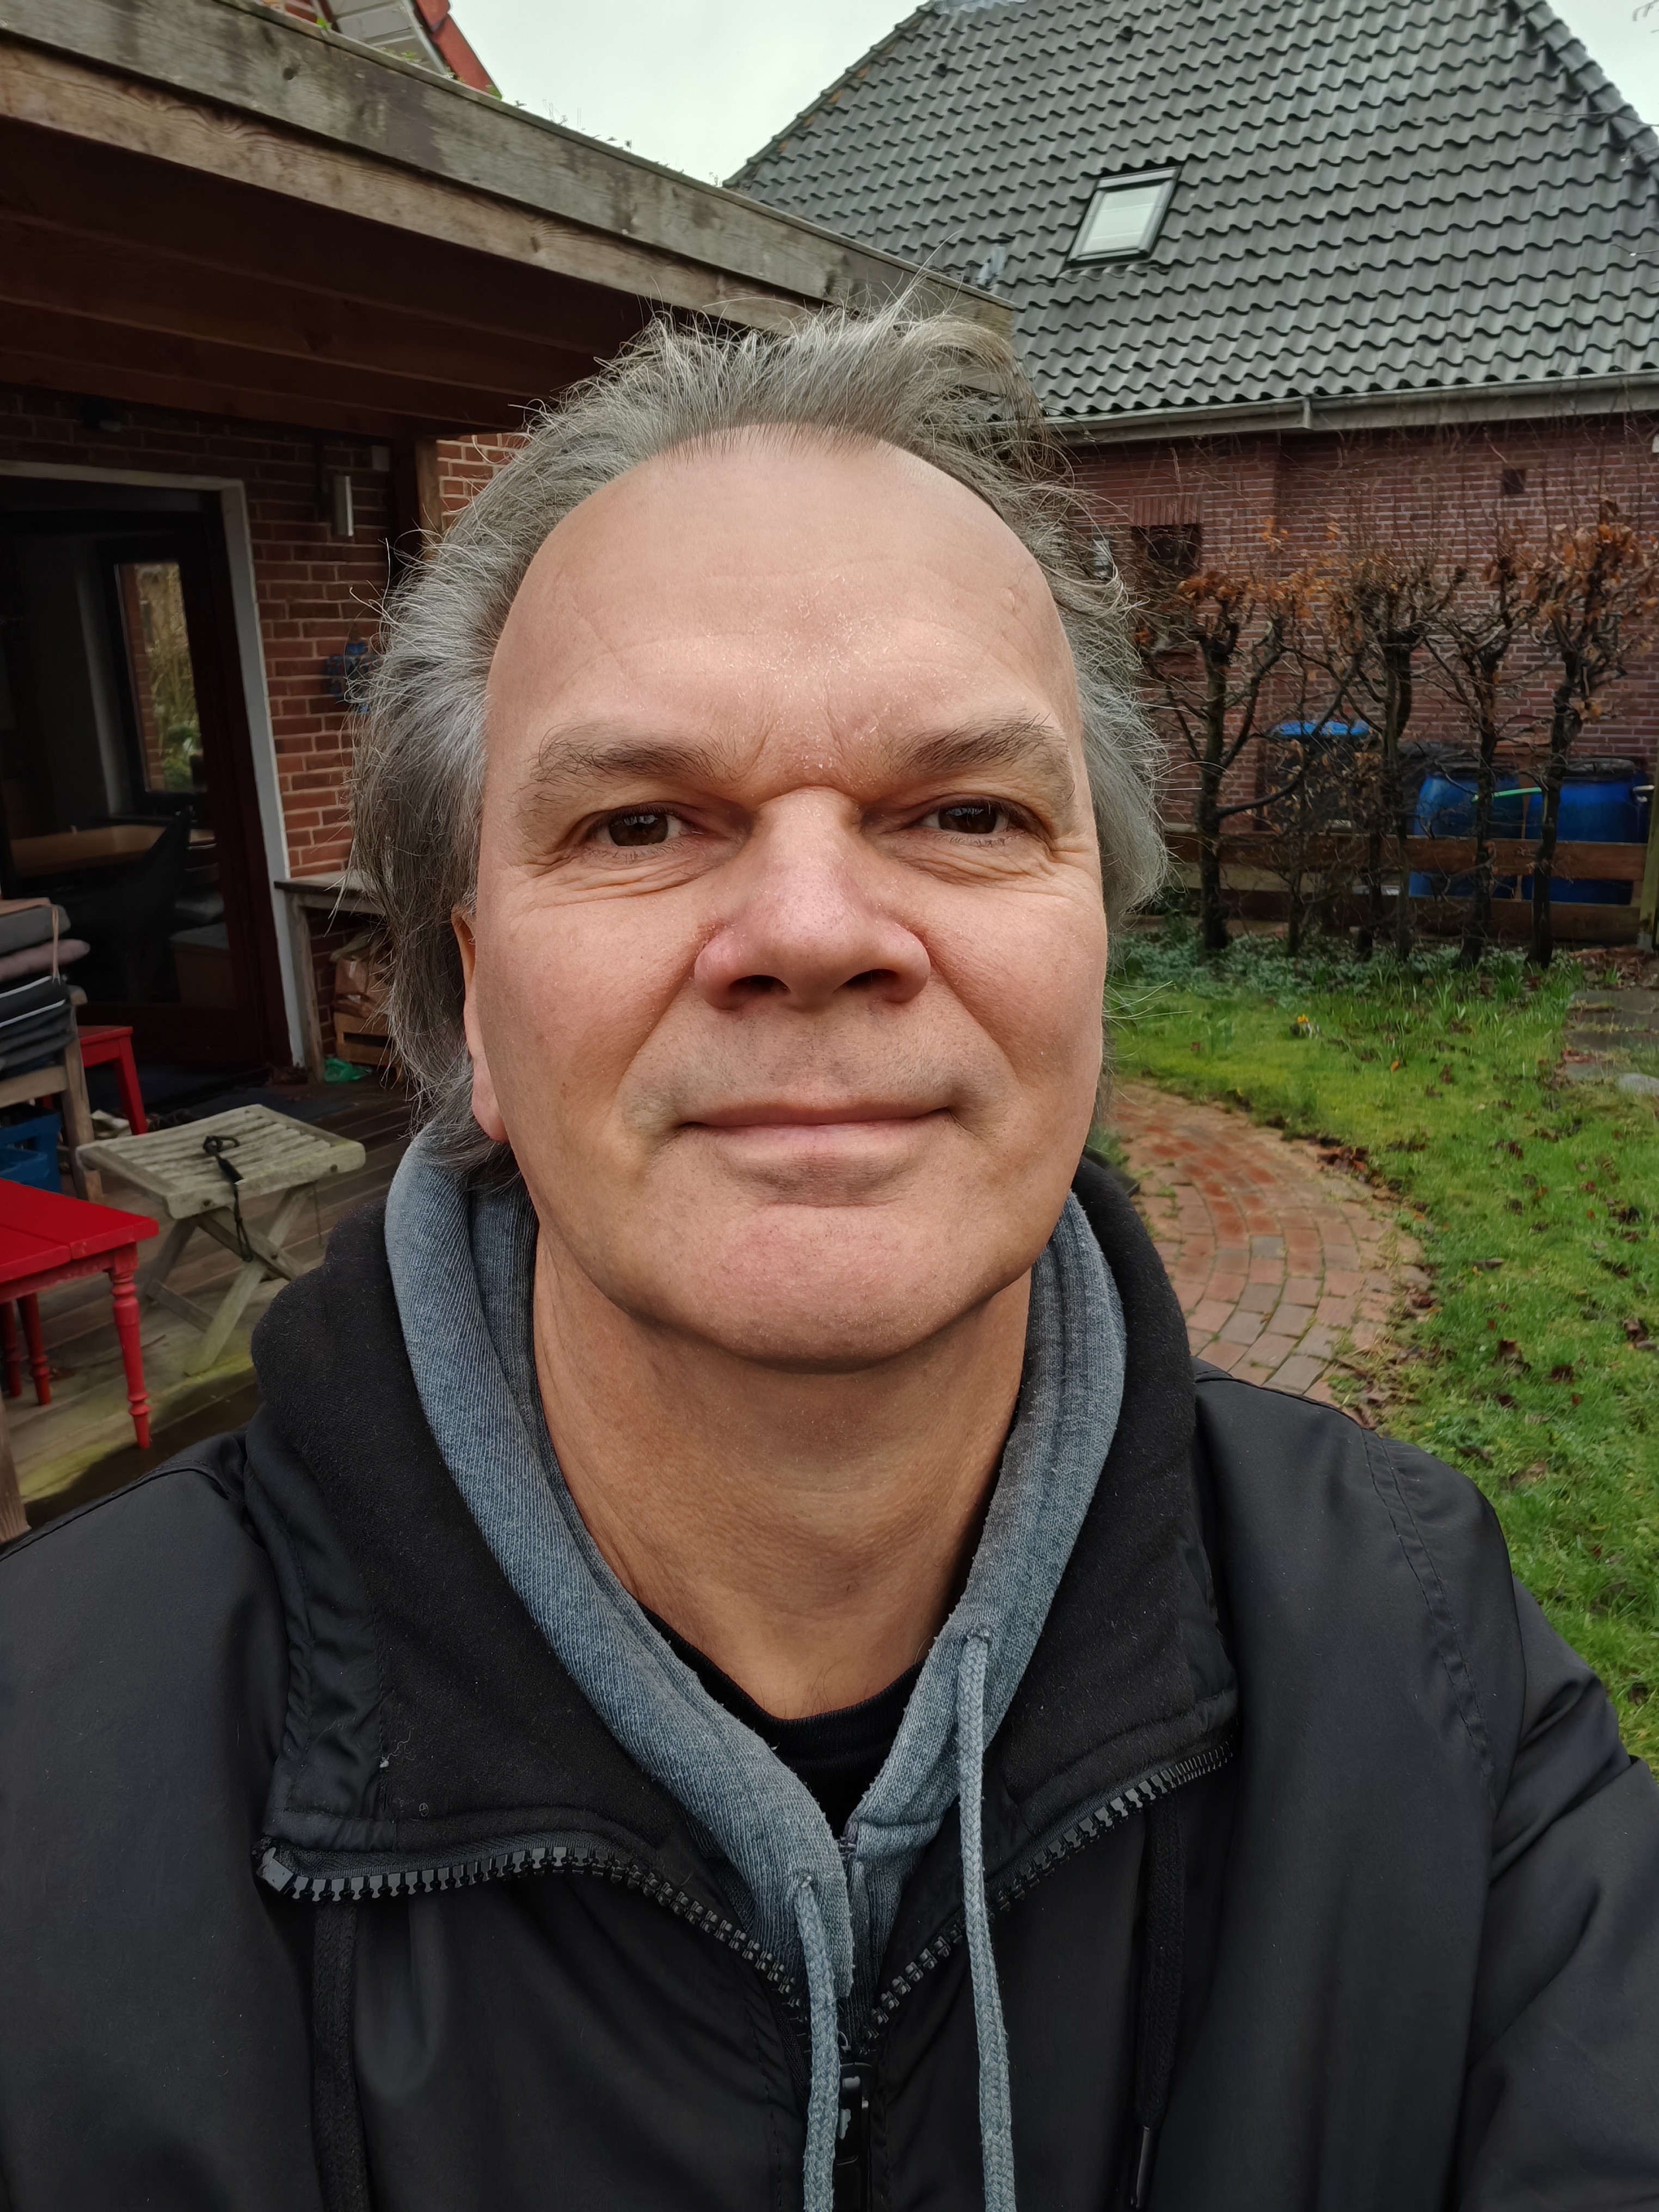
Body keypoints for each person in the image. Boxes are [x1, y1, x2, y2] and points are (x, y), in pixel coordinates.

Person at [1, 305, 1655, 2212]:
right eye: (639, 820)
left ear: (1094, 957)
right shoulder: (44, 1774)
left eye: (964, 813)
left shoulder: (1431, 1668)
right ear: (475, 1011)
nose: (810, 926)